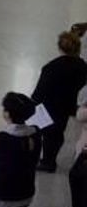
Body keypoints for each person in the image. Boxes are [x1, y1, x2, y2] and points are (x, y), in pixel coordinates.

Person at [32, 31, 87, 172]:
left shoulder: (51, 67)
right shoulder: (82, 67)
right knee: (57, 133)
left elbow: (40, 91)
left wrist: (33, 103)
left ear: (60, 48)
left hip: (50, 106)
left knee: (48, 134)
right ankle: (49, 160)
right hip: (68, 105)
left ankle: (47, 162)